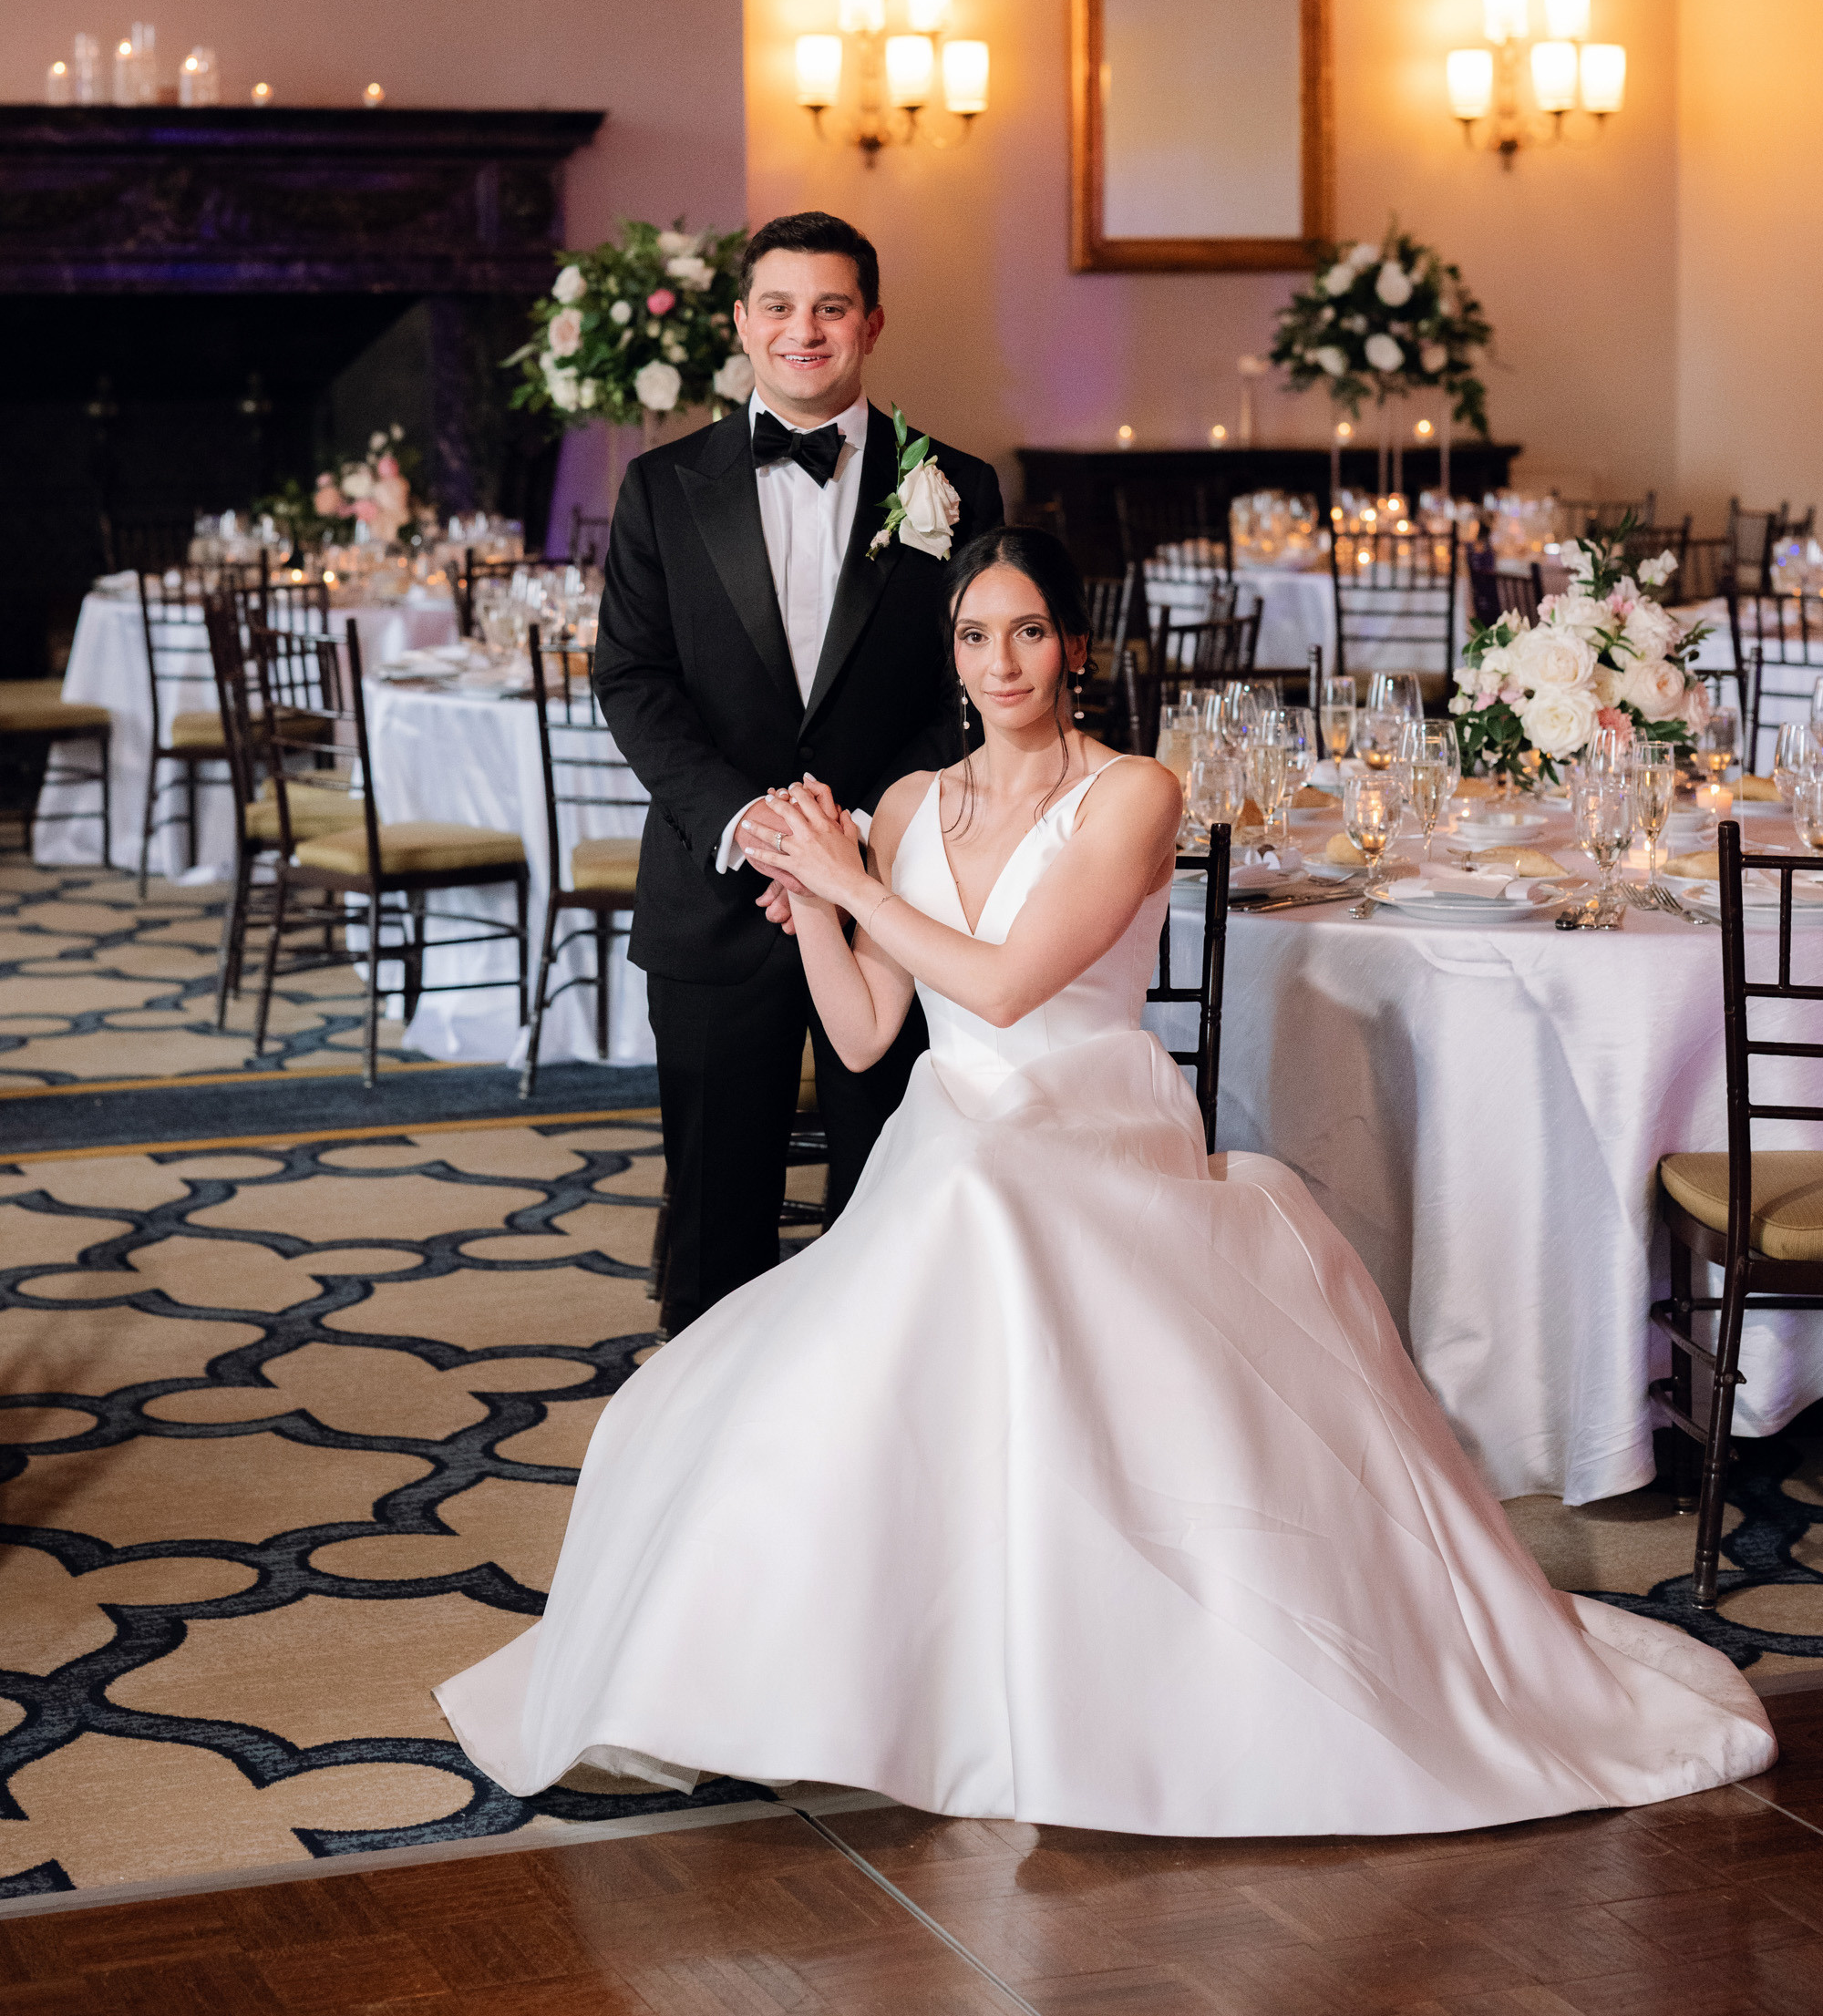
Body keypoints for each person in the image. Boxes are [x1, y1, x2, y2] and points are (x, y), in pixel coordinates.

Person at [440, 527, 1774, 1836]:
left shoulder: (1134, 791)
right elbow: (862, 1034)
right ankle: (844, 1674)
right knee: (784, 1341)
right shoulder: (910, 802)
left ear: (1073, 644)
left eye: (1027, 631)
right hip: (954, 1126)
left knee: (985, 1211)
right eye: (973, 637)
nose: (1001, 662)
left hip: (1090, 1123)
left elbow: (1016, 987)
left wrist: (852, 882)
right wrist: (818, 912)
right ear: (948, 654)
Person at [591, 210, 1002, 1332]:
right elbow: (631, 680)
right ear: (740, 324)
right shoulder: (661, 488)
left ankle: (872, 1449)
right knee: (715, 1209)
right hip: (718, 894)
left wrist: (855, 840)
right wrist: (759, 832)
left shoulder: (955, 486)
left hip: (893, 905)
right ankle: (700, 1452)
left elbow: (970, 695)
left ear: (870, 323)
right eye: (777, 307)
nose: (802, 330)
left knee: (887, 1201)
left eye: (829, 307)